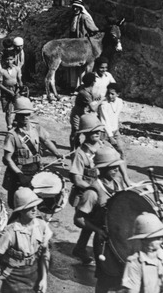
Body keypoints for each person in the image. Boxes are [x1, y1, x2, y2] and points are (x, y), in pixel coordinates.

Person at [0, 187, 52, 293]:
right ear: (21, 211)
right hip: (13, 274)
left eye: (35, 205)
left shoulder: (41, 226)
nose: (34, 209)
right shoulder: (11, 232)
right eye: (30, 207)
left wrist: (44, 279)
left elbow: (45, 254)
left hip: (33, 272)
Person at [74, 147, 129, 292]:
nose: (116, 169)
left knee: (121, 278)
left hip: (119, 238)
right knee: (105, 280)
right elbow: (78, 219)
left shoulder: (117, 183)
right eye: (112, 167)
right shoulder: (92, 193)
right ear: (102, 168)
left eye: (117, 166)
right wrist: (97, 229)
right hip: (103, 241)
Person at [1, 97, 63, 208]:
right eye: (22, 115)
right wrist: (20, 174)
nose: (25, 117)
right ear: (17, 116)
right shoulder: (12, 135)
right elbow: (8, 159)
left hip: (35, 167)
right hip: (19, 170)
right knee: (18, 202)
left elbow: (46, 141)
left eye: (28, 114)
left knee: (36, 200)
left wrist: (57, 153)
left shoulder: (36, 128)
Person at [68, 114, 103, 265]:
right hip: (87, 194)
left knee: (95, 221)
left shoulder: (104, 147)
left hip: (102, 192)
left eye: (98, 130)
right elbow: (76, 179)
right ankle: (85, 250)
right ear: (85, 133)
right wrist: (94, 189)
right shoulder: (80, 154)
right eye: (92, 131)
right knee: (88, 222)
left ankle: (80, 248)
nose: (96, 133)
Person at [119, 213, 163, 293]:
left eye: (161, 237)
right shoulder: (134, 263)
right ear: (144, 240)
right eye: (157, 237)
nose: (161, 239)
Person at [70, 72, 98, 151]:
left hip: (84, 114)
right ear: (92, 82)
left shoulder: (85, 89)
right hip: (78, 115)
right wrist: (101, 100)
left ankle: (79, 149)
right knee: (75, 133)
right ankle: (73, 150)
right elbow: (93, 108)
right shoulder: (84, 93)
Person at [98, 83, 125, 160]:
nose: (110, 96)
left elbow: (115, 117)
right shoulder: (104, 104)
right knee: (104, 155)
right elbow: (105, 121)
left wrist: (115, 131)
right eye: (108, 93)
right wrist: (110, 136)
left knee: (121, 151)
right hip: (105, 132)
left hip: (115, 131)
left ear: (118, 94)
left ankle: (123, 170)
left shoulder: (119, 102)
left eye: (112, 94)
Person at [0, 52, 22, 130]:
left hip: (15, 90)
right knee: (8, 111)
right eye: (7, 60)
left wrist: (19, 88)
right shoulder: (2, 71)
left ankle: (17, 124)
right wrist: (9, 91)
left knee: (19, 109)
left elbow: (19, 81)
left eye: (11, 59)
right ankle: (9, 127)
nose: (9, 62)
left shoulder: (17, 69)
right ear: (4, 60)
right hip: (5, 91)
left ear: (14, 59)